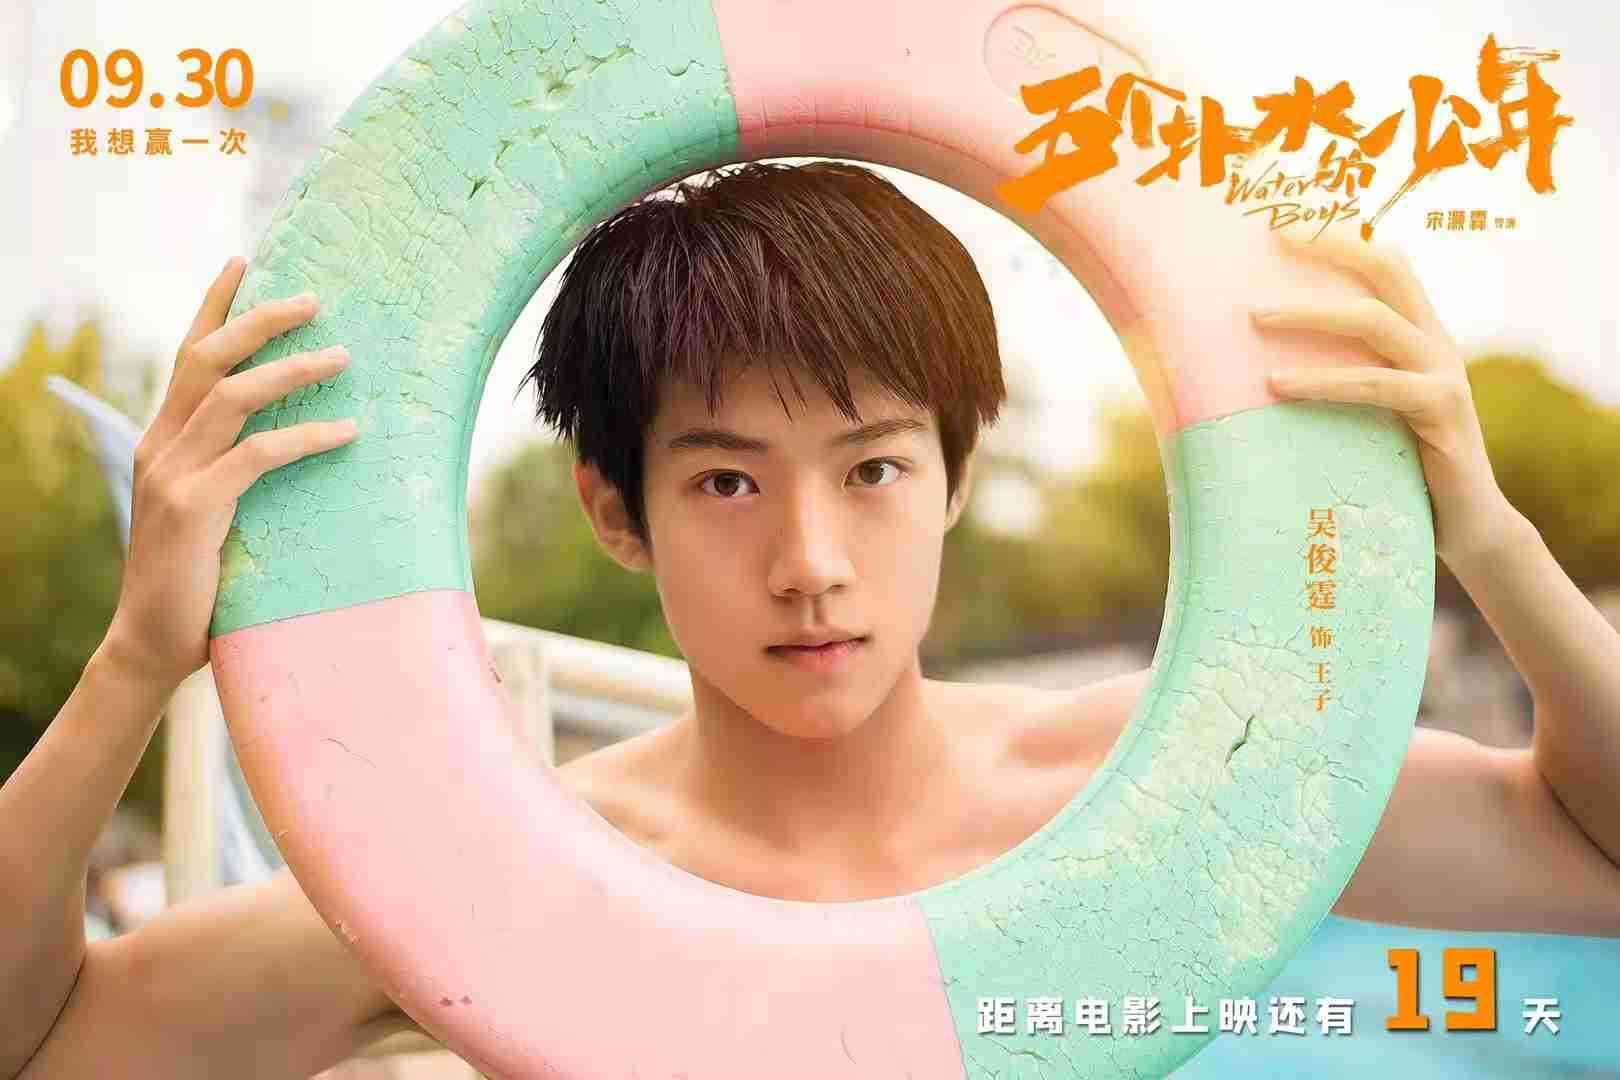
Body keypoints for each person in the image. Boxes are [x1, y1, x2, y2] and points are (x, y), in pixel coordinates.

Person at [4, 161, 1618, 1078]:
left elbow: (1594, 859)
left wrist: (1484, 531)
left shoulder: (1153, 782)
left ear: (958, 473)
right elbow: (47, 1043)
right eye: (726, 482)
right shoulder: (504, 880)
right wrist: (140, 656)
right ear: (615, 513)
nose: (811, 561)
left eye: (872, 468)